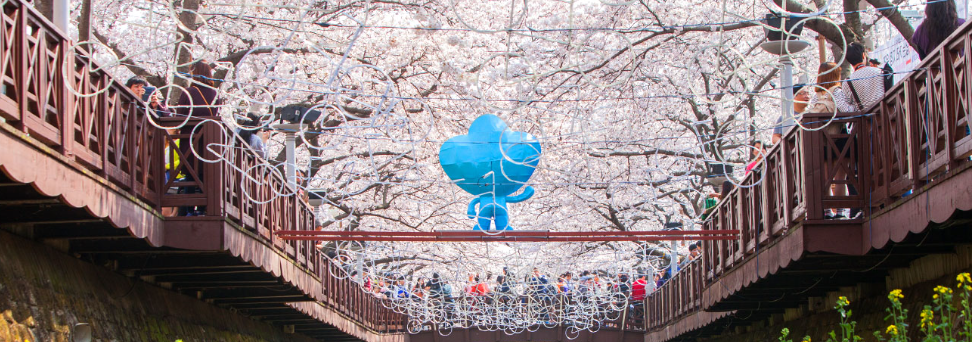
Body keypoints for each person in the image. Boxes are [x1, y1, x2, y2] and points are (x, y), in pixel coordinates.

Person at [834, 43, 885, 113]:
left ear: (849, 60)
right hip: (884, 116)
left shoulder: (847, 82)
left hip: (863, 121)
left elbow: (846, 108)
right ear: (863, 55)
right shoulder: (880, 72)